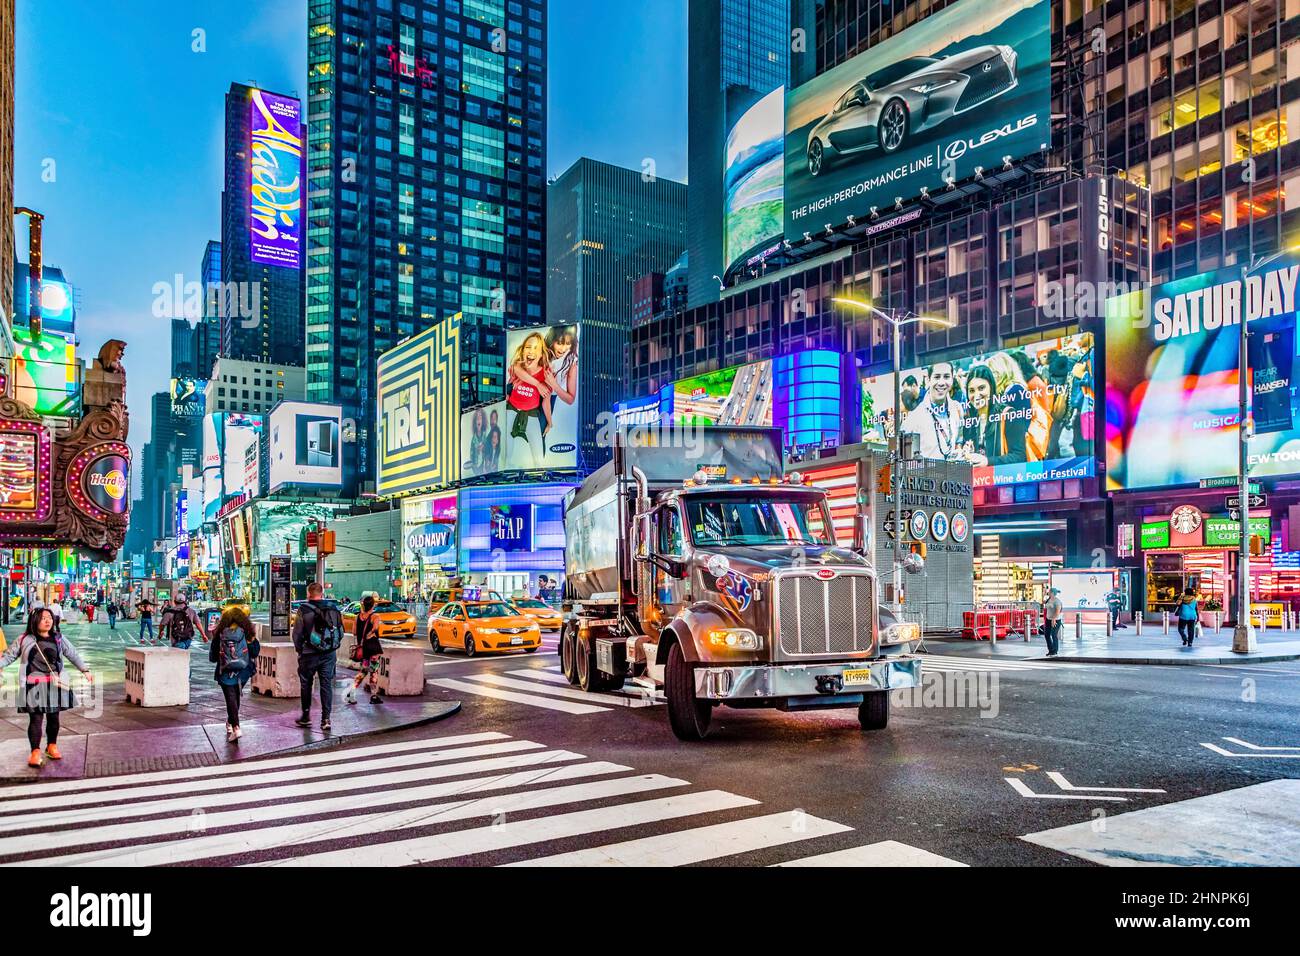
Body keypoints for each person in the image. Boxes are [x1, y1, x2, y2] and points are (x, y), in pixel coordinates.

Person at [0, 608, 94, 767]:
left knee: (54, 718)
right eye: (43, 618)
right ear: (34, 620)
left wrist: (84, 670)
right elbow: (9, 656)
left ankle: (52, 745)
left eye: (49, 617)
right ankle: (35, 752)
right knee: (36, 719)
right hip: (33, 685)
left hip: (54, 684)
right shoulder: (24, 639)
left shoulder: (58, 638)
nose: (47, 621)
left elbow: (72, 654)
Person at [292, 581, 344, 732]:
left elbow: (297, 634)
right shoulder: (333, 607)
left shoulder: (304, 609)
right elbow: (340, 630)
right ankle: (326, 719)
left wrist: (300, 650)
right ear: (322, 593)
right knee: (326, 684)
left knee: (306, 684)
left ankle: (306, 716)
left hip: (309, 654)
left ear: (308, 593)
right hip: (329, 653)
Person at [209, 605, 259, 742]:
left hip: (225, 672)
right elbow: (255, 652)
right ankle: (231, 723)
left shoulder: (220, 633)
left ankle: (236, 727)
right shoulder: (247, 633)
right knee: (235, 697)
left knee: (231, 698)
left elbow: (212, 657)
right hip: (243, 671)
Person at [506, 331, 553, 468]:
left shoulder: (545, 373)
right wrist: (537, 384)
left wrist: (549, 422)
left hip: (531, 413)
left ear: (541, 354)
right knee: (506, 451)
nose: (531, 351)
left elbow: (546, 401)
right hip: (512, 409)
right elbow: (516, 369)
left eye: (535, 348)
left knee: (539, 457)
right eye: (528, 346)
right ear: (522, 349)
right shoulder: (518, 366)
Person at [900, 362, 964, 460]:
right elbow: (903, 460)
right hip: (925, 474)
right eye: (937, 377)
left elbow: (959, 440)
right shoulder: (913, 418)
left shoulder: (957, 409)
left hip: (952, 473)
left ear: (952, 379)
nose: (941, 382)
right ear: (929, 380)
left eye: (946, 377)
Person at [345, 595, 384, 706]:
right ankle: (374, 695)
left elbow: (354, 632)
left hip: (364, 650)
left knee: (363, 671)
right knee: (374, 672)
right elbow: (376, 628)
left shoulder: (358, 617)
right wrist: (371, 633)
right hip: (373, 648)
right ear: (373, 605)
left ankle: (351, 692)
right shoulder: (375, 616)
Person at [1042, 587, 1063, 657]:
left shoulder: (1057, 601)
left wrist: (1054, 619)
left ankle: (1055, 651)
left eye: (1050, 592)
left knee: (1054, 635)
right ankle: (1050, 650)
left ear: (1053, 593)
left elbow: (1058, 611)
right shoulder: (1049, 599)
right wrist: (1043, 594)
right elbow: (1043, 602)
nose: (1049, 593)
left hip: (1056, 620)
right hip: (1048, 619)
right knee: (1047, 635)